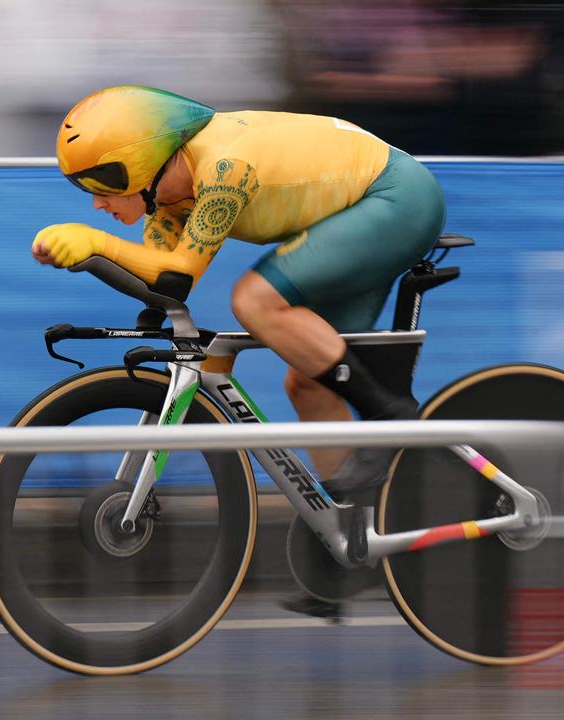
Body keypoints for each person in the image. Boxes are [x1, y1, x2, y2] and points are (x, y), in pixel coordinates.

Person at [32, 85, 446, 616]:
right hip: (355, 210)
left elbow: (177, 277)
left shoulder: (224, 167)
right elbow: (159, 284)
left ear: (138, 166)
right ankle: (351, 543)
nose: (96, 203)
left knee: (253, 300)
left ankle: (391, 415)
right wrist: (106, 270)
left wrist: (92, 242)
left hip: (395, 199)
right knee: (307, 383)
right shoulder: (171, 196)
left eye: (100, 185)